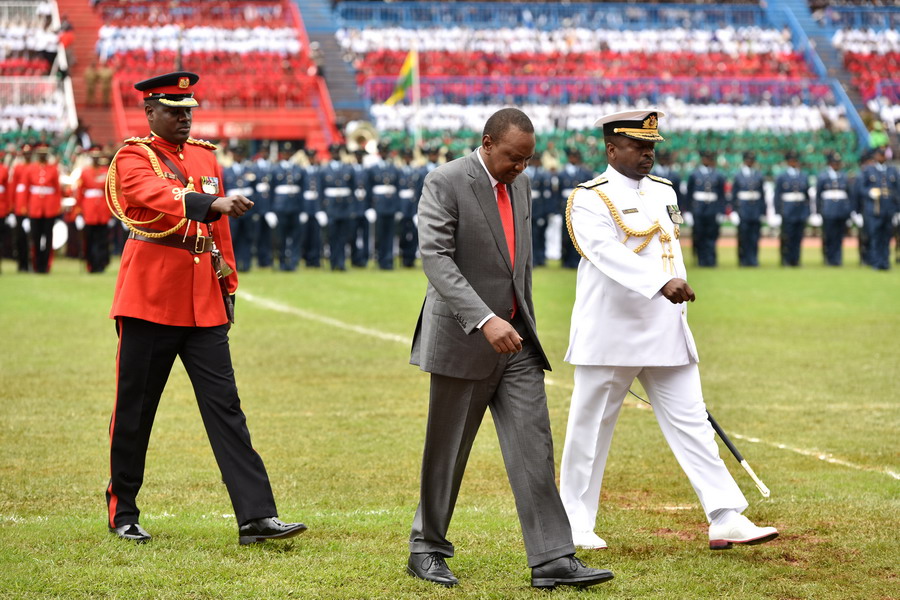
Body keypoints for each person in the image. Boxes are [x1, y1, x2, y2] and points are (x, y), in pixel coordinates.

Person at [407, 107, 612, 590]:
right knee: (448, 451)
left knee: (533, 446)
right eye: (512, 159)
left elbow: (518, 265)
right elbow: (435, 258)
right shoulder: (445, 181)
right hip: (464, 338)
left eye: (527, 160)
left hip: (517, 342)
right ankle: (427, 548)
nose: (520, 168)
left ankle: (553, 558)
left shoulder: (520, 183)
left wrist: (519, 320)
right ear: (487, 143)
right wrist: (484, 319)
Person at [560, 109, 778, 553]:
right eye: (639, 146)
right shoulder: (589, 197)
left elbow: (669, 252)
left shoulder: (663, 191)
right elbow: (602, 252)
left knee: (693, 423)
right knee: (590, 431)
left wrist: (671, 295)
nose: (648, 154)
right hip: (610, 332)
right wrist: (660, 284)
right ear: (611, 149)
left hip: (664, 328)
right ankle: (574, 523)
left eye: (652, 146)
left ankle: (725, 515)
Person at [104, 71, 306, 545]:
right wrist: (209, 201)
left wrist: (228, 285)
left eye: (188, 110)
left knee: (226, 409)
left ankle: (256, 516)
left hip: (202, 302)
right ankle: (123, 511)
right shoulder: (134, 155)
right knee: (135, 409)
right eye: (173, 110)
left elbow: (220, 233)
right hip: (150, 300)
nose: (183, 118)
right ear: (150, 112)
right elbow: (151, 194)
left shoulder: (203, 155)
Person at [858, 146, 899, 270]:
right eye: (879, 155)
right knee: (875, 236)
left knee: (886, 237)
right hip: (874, 209)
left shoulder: (892, 170)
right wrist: (869, 192)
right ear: (875, 156)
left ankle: (885, 262)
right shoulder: (868, 171)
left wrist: (898, 209)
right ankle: (876, 262)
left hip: (888, 208)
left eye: (883, 155)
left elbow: (897, 190)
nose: (882, 157)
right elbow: (861, 189)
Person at [24, 143, 61, 273]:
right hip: (35, 207)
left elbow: (57, 190)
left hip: (49, 207)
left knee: (48, 238)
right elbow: (26, 190)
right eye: (40, 153)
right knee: (36, 238)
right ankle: (36, 264)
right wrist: (25, 207)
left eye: (44, 153)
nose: (42, 155)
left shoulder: (53, 169)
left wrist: (57, 207)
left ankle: (46, 265)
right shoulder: (31, 169)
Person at [686, 150, 726, 267]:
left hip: (712, 209)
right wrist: (688, 211)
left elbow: (721, 196)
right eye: (706, 158)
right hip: (698, 209)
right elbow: (689, 195)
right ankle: (701, 260)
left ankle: (711, 260)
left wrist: (721, 212)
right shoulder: (694, 175)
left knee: (712, 235)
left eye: (710, 158)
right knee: (699, 235)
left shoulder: (718, 175)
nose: (708, 160)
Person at [76, 146, 112, 273]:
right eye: (94, 157)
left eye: (98, 156)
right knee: (90, 239)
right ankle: (91, 264)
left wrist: (112, 211)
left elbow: (110, 192)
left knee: (102, 239)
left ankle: (101, 264)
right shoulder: (85, 172)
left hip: (103, 209)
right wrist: (79, 212)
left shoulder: (106, 171)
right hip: (89, 210)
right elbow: (80, 193)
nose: (96, 159)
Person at [774, 150, 811, 267]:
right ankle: (785, 259)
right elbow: (777, 195)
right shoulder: (782, 176)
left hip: (800, 210)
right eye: (791, 160)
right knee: (787, 236)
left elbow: (806, 196)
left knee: (798, 236)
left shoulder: (803, 176)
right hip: (787, 210)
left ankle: (796, 259)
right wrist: (778, 210)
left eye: (795, 160)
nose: (793, 162)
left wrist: (807, 211)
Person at [815, 152, 853, 267]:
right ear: (829, 164)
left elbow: (848, 195)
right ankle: (828, 257)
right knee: (829, 235)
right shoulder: (823, 176)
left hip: (841, 210)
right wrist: (819, 210)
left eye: (838, 163)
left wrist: (848, 210)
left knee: (839, 236)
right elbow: (818, 195)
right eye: (834, 163)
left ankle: (837, 258)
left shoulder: (844, 176)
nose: (836, 165)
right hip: (828, 210)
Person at [731, 151, 766, 267]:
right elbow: (734, 194)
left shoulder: (758, 175)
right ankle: (743, 260)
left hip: (755, 209)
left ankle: (753, 259)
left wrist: (763, 211)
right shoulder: (738, 175)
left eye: (752, 160)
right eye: (748, 160)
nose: (750, 162)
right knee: (743, 236)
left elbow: (762, 195)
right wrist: (734, 211)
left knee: (755, 237)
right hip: (743, 209)